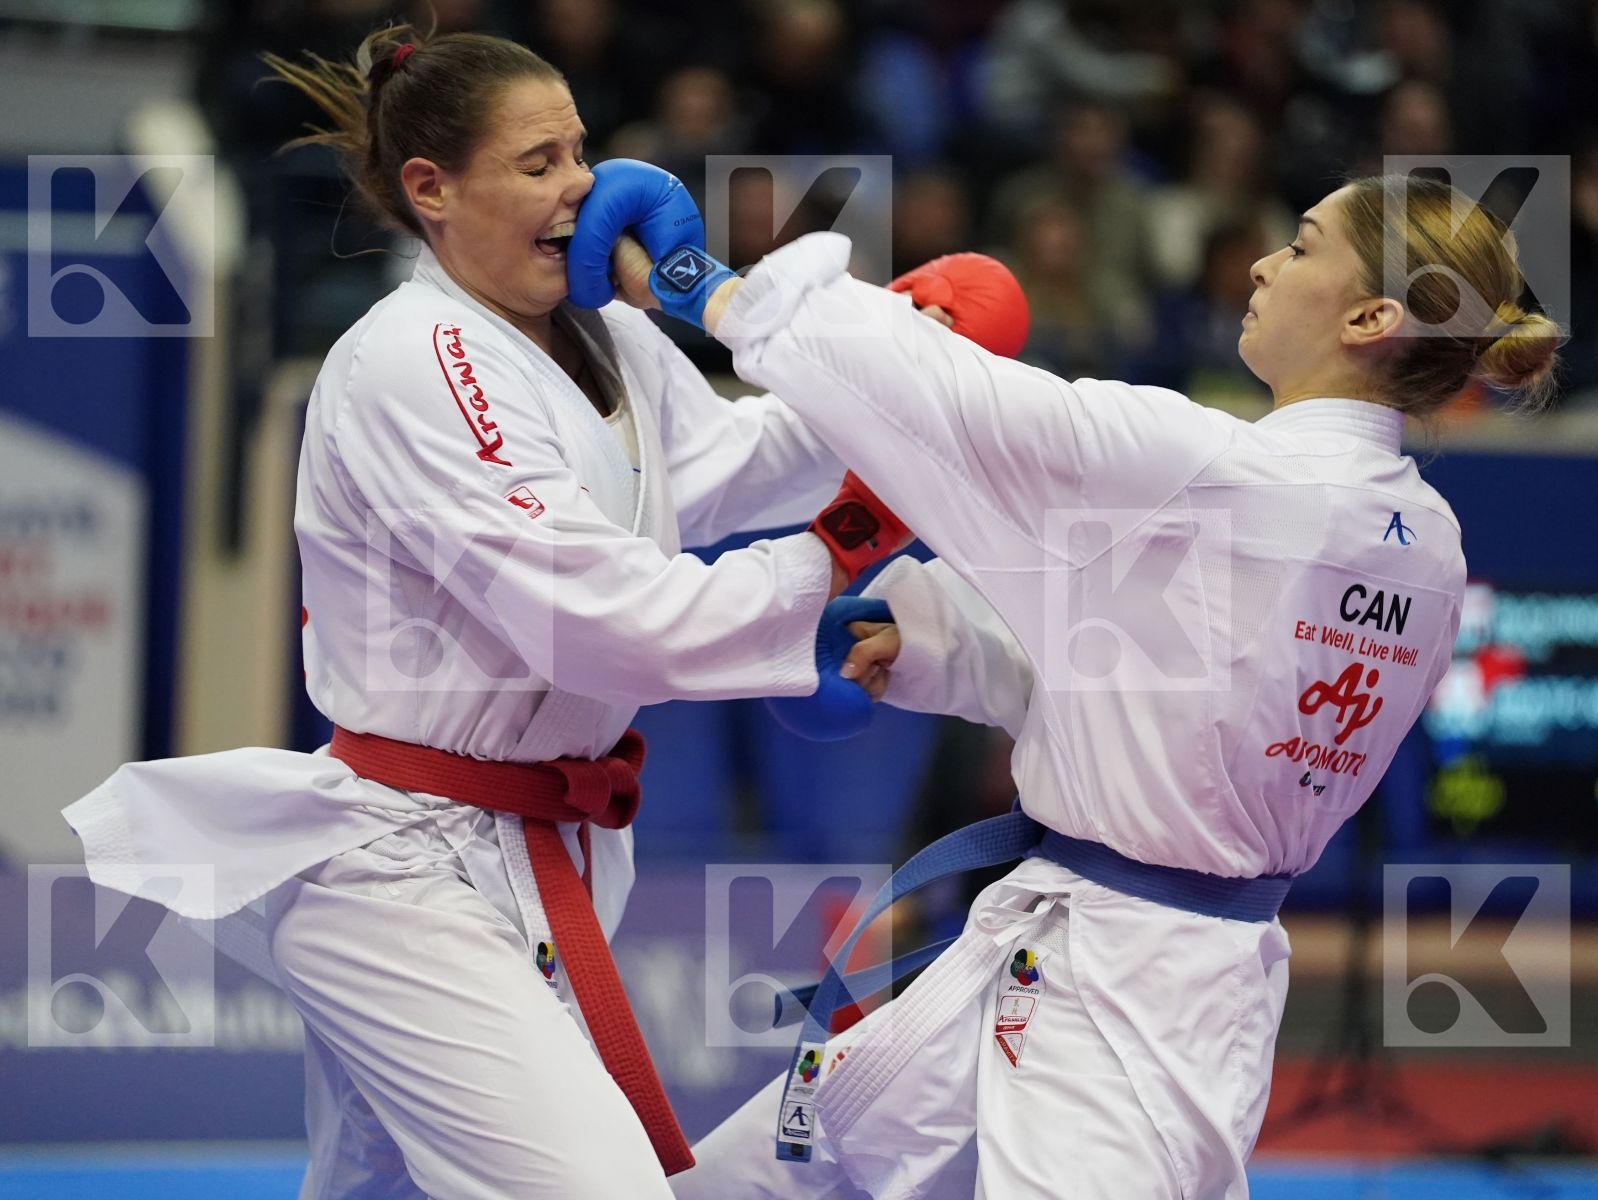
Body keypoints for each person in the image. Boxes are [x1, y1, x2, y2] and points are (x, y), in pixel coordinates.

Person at [61, 27, 981, 1200]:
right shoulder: (416, 360)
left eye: (580, 153)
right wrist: (848, 537)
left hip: (548, 846)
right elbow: (612, 623)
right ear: (431, 192)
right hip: (401, 873)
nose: (582, 189)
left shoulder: (603, 332)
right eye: (538, 163)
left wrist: (888, 356)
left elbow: (737, 466)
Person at [569, 167, 1559, 1197]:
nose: (1264, 263)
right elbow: (1175, 690)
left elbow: (963, 406)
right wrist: (928, 646)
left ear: (1368, 315)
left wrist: (707, 287)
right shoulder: (1425, 545)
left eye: (1302, 245)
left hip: (1128, 994)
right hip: (1101, 954)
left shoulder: (1222, 474)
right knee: (754, 1183)